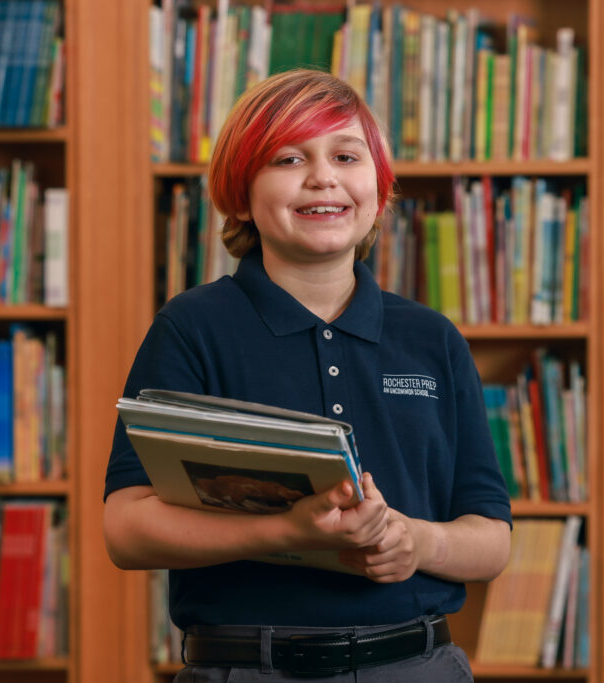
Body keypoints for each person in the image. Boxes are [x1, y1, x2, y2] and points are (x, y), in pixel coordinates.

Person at [103, 68, 512, 681]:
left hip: (416, 664)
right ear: (240, 194)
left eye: (346, 156)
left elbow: (492, 537)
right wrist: (282, 531)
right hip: (247, 666)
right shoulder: (192, 328)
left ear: (378, 187)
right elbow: (127, 530)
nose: (323, 176)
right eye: (289, 157)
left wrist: (416, 543)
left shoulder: (432, 340)